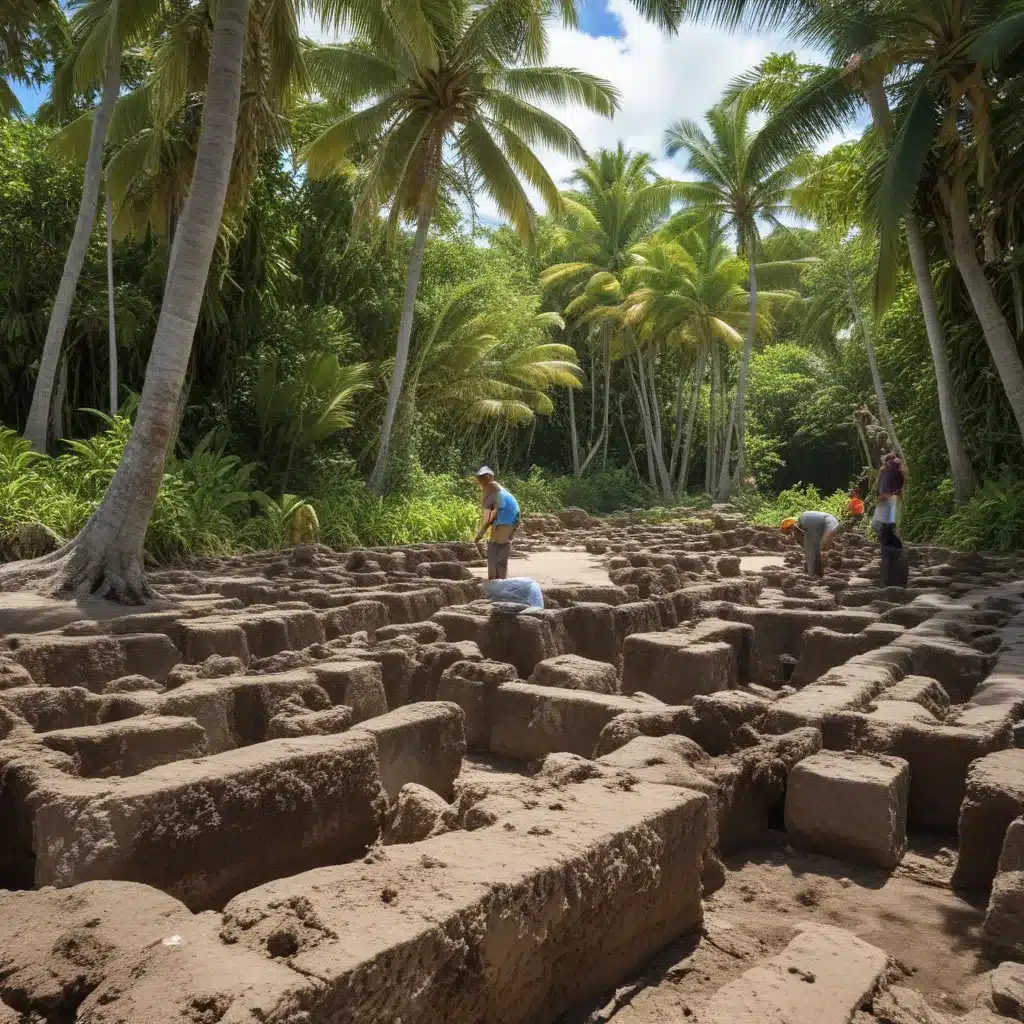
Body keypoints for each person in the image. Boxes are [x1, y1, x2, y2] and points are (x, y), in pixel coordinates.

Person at [473, 466, 520, 580]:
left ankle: (496, 581)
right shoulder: (499, 488)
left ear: (489, 477)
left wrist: (481, 532)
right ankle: (499, 579)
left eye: (482, 478)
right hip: (513, 520)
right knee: (499, 549)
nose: (481, 481)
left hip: (504, 520)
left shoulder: (490, 487)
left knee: (495, 550)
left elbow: (492, 513)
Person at [781, 510, 840, 577]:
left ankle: (819, 570)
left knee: (822, 545)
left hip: (828, 525)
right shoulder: (801, 529)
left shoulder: (804, 524)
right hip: (829, 523)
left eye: (790, 529)